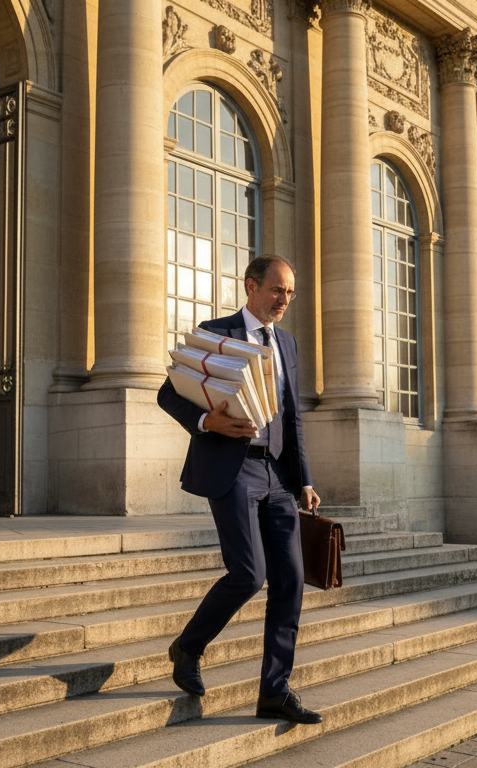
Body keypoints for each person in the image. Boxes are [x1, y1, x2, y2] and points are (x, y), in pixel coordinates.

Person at [156, 254, 322, 725]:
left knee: (290, 581)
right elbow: (169, 393)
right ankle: (188, 646)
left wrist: (304, 479)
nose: (284, 300)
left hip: (277, 476)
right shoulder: (216, 332)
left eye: (290, 292)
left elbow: (292, 417)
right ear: (251, 286)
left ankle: (275, 690)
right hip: (233, 470)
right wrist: (207, 421)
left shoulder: (286, 343)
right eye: (276, 290)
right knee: (248, 575)